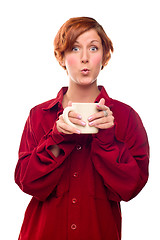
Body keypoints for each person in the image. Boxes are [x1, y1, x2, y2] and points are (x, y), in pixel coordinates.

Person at [15, 17, 149, 240]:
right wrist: (58, 139)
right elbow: (27, 181)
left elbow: (131, 187)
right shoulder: (39, 115)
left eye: (93, 48)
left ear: (104, 56)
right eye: (75, 48)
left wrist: (107, 141)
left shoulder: (126, 118)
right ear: (62, 56)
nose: (85, 58)